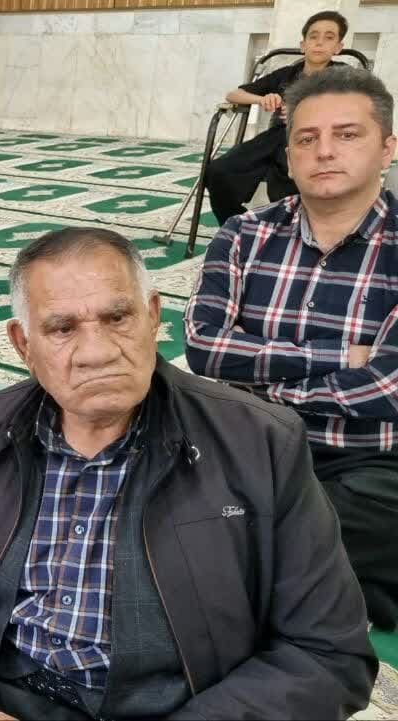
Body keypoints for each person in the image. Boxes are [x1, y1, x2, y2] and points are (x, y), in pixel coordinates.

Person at [0, 226, 376, 721]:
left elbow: (327, 653)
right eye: (62, 328)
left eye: (117, 318)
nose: (96, 352)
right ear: (23, 344)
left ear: (153, 316)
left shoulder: (258, 443)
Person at [186, 66, 398, 630]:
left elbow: (386, 387)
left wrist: (262, 385)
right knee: (148, 474)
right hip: (248, 445)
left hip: (368, 460)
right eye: (307, 138)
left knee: (362, 514)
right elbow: (205, 348)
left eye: (347, 135)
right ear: (289, 154)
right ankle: (343, 584)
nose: (324, 151)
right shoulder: (243, 234)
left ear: (387, 148)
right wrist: (342, 356)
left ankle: (252, 566)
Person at [204, 11, 347, 225]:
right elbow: (233, 94)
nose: (319, 43)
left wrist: (307, 113)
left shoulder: (345, 76)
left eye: (329, 37)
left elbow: (362, 107)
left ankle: (289, 233)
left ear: (338, 47)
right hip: (276, 136)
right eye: (313, 36)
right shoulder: (286, 74)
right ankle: (239, 226)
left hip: (317, 139)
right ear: (303, 45)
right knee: (219, 171)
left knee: (288, 180)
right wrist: (262, 99)